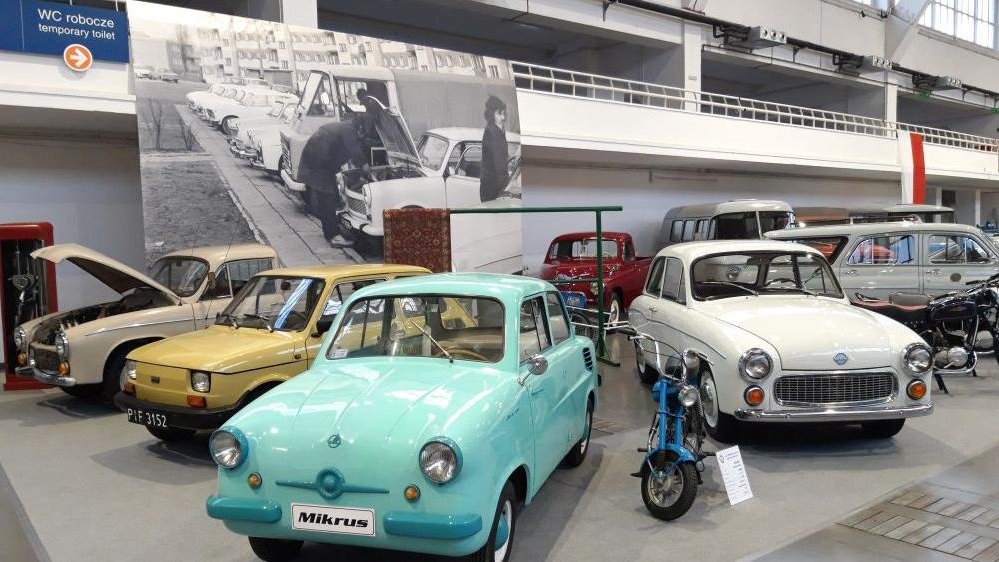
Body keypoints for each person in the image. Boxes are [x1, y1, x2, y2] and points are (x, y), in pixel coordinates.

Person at [298, 113, 373, 247]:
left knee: (327, 196)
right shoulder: (349, 130)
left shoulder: (346, 126)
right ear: (361, 127)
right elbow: (355, 151)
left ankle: (331, 231)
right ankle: (334, 237)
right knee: (327, 197)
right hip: (318, 164)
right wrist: (366, 167)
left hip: (317, 160)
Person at [479, 95, 509, 203]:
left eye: (503, 113)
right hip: (492, 187)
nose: (503, 118)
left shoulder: (498, 130)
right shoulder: (491, 131)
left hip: (494, 185)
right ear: (491, 114)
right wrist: (505, 187)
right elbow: (498, 163)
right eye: (499, 114)